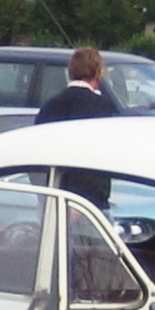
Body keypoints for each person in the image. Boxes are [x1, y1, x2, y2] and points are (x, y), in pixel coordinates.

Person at [34, 46, 116, 210]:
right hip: (91, 201)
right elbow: (99, 156)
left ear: (70, 72)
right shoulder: (103, 108)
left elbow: (37, 157)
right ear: (98, 74)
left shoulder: (49, 106)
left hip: (54, 197)